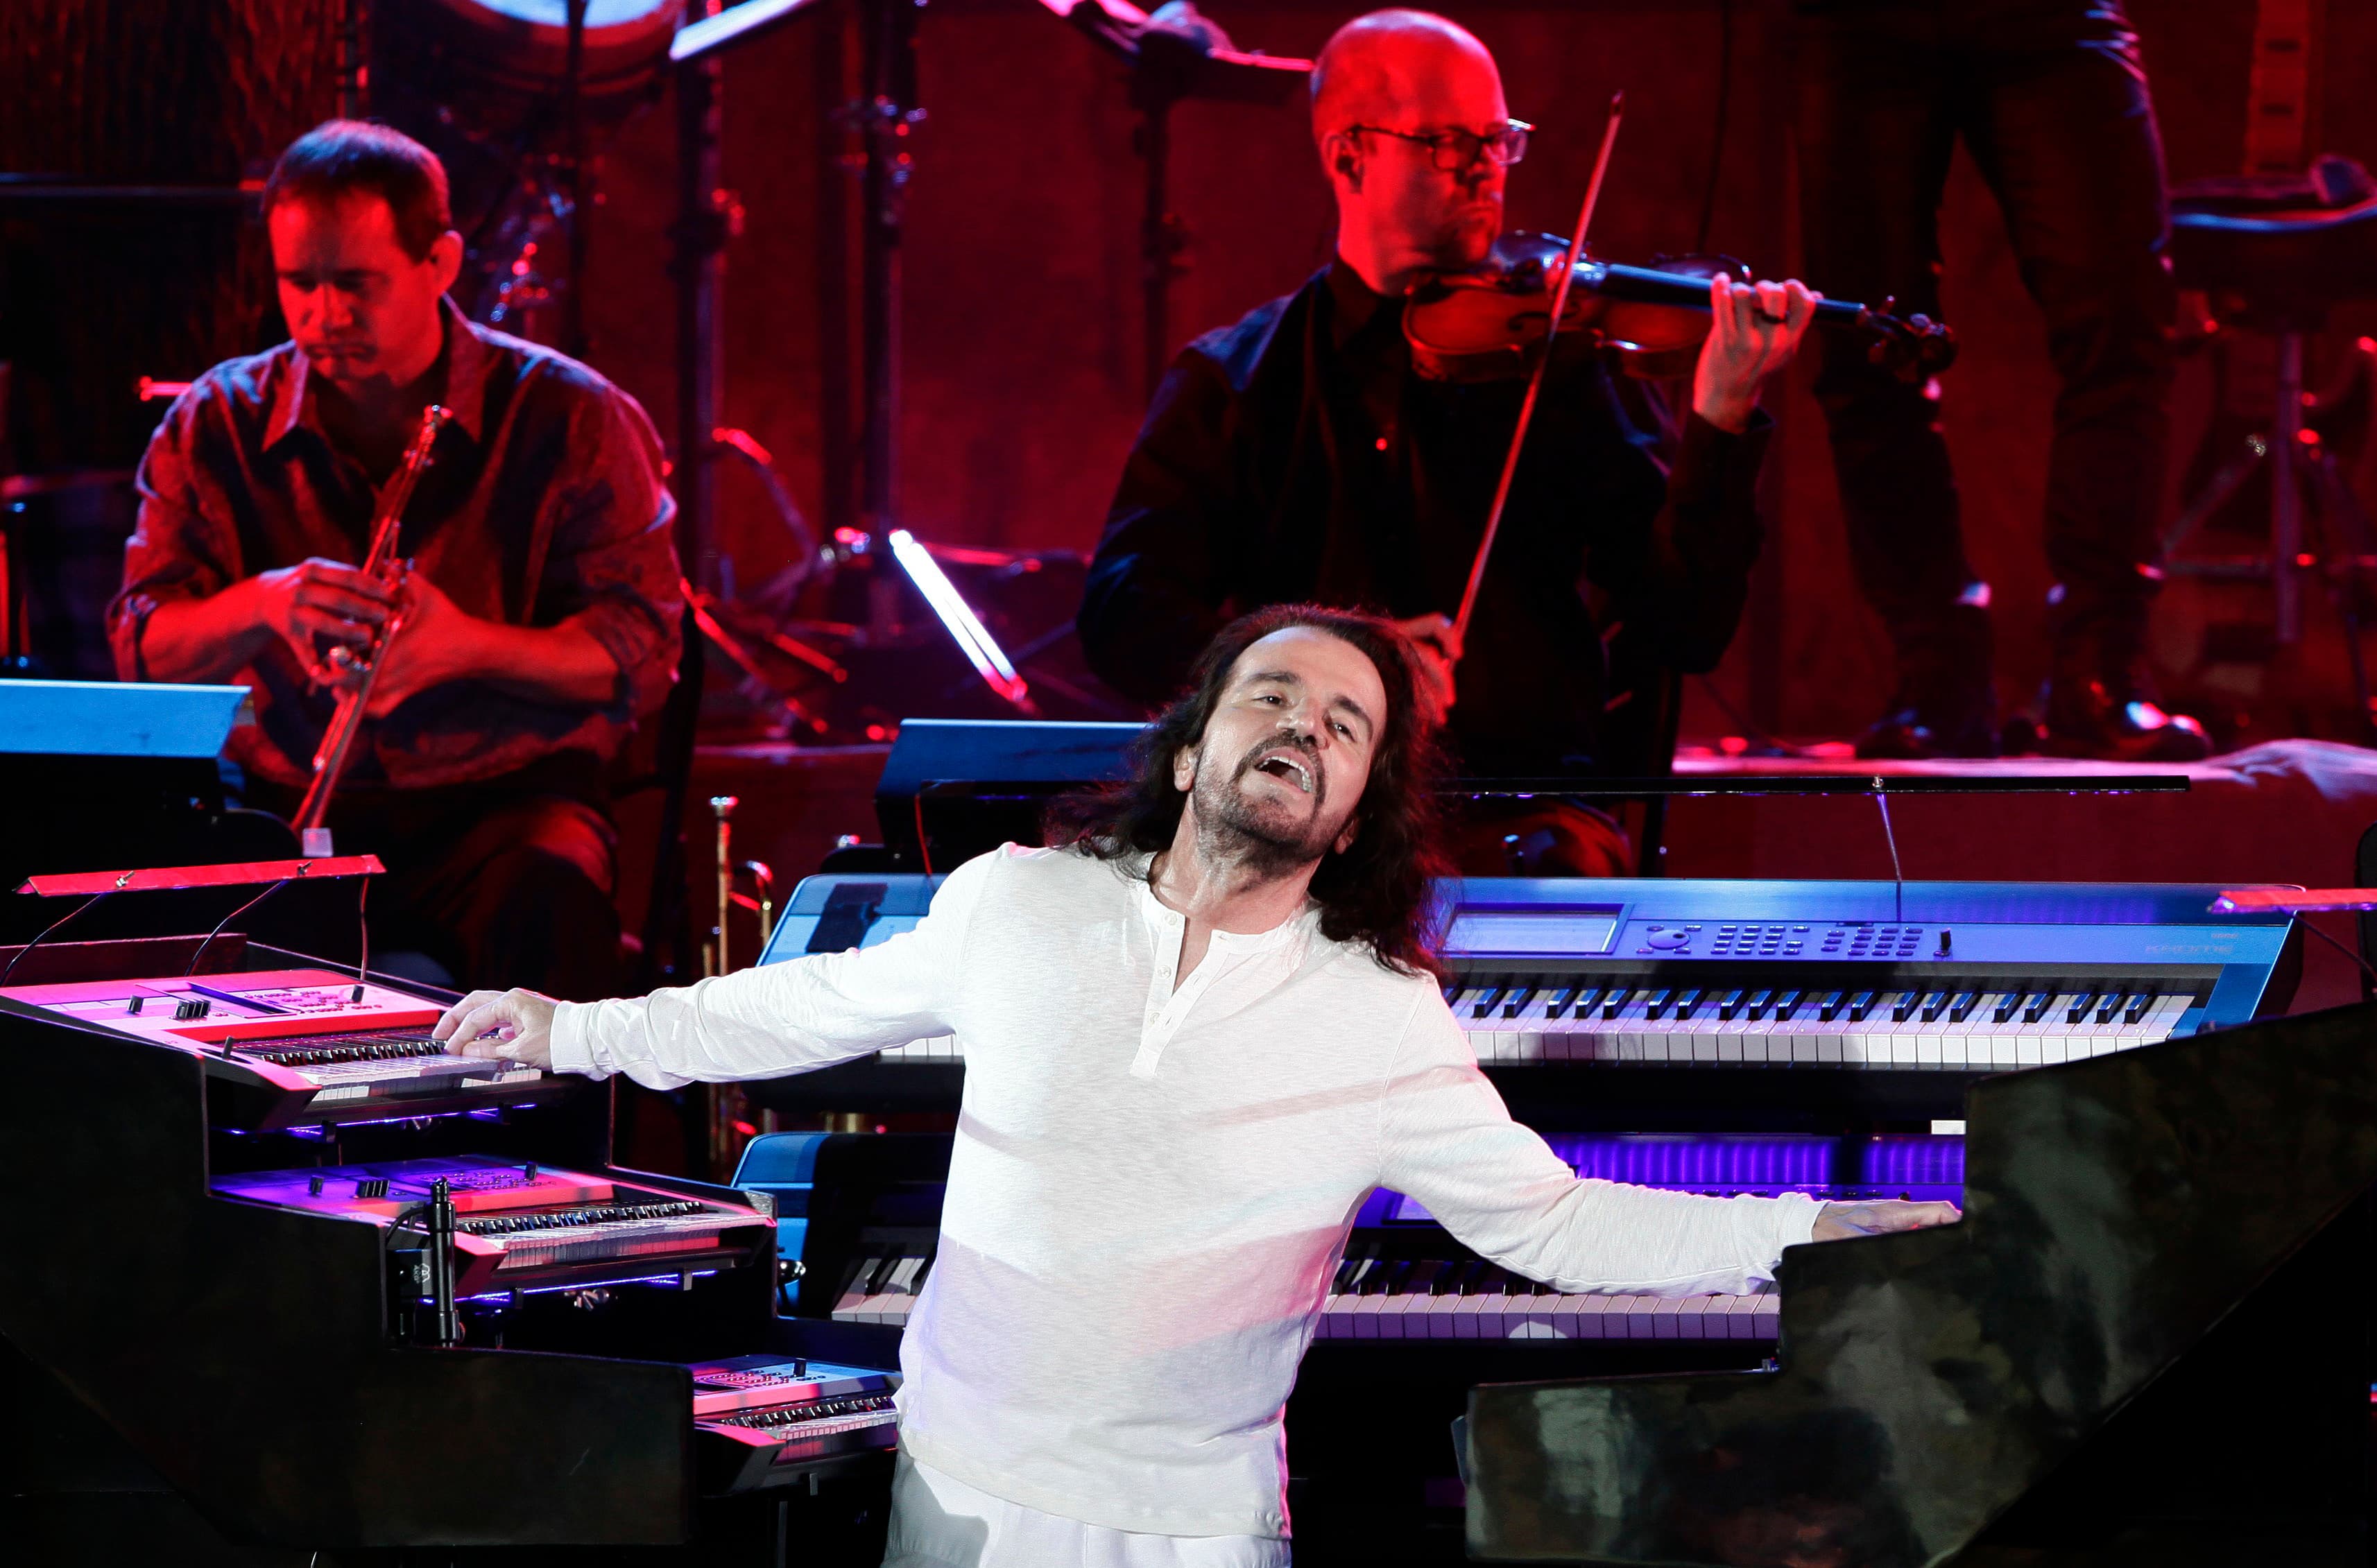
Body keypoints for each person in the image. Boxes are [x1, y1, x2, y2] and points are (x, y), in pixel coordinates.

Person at [436, 604, 1957, 1568]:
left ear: (1359, 807)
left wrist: (1810, 1225)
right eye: (1274, 697)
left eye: (1344, 723)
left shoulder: (1380, 1012)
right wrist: (573, 1031)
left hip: (1193, 1523)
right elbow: (800, 1004)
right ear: (1188, 750)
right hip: (962, 1486)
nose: (1303, 726)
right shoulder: (1017, 898)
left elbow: (1554, 1224)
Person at [1076, 9, 1817, 872]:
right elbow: (1122, 617)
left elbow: (1685, 624)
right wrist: (1325, 665)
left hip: (1520, 812)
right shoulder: (1236, 380)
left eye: (1497, 140)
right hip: (1291, 814)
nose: (1483, 170)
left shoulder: (1561, 363)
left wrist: (1722, 420)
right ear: (1348, 154)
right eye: (1446, 143)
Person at [108, 121, 682, 999]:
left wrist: (465, 648)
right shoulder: (212, 419)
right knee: (160, 921)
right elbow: (140, 651)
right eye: (299, 283)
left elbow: (643, 652)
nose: (324, 317)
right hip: (288, 808)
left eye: (356, 284)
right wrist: (263, 603)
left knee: (546, 894)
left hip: (504, 802)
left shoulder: (572, 414)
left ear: (442, 263)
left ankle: (550, 1141)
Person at [1795, 0, 2208, 761]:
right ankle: (1935, 677)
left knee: (2121, 330)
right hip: (1862, 26)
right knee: (1866, 346)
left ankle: (2100, 671)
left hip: (2053, 19)